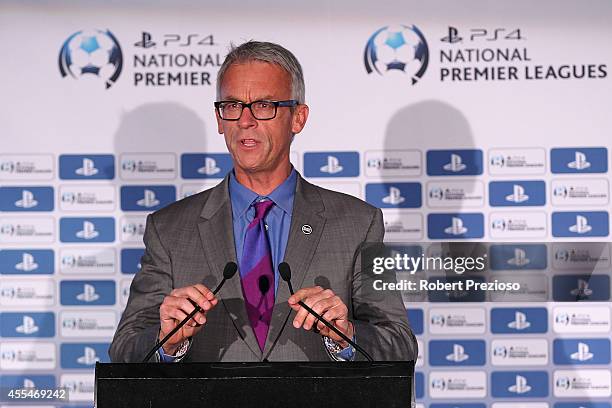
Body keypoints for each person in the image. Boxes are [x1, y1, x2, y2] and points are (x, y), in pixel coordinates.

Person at [109, 41, 416, 363]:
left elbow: (399, 344)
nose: (245, 120)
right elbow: (125, 349)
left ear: (298, 118)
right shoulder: (169, 229)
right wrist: (166, 341)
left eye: (264, 105)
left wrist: (347, 336)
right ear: (219, 118)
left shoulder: (357, 224)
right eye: (232, 105)